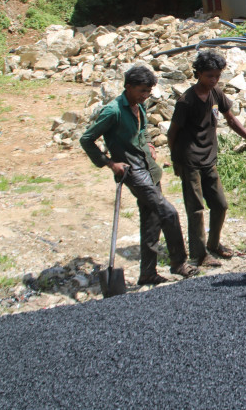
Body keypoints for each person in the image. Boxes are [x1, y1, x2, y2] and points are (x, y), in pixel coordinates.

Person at [80, 65, 198, 285]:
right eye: (142, 91)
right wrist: (110, 163)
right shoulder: (113, 111)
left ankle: (147, 273)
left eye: (148, 92)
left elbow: (142, 131)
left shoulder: (139, 107)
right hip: (133, 172)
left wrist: (150, 144)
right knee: (169, 213)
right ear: (128, 87)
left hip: (149, 169)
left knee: (151, 220)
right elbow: (86, 140)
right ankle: (179, 263)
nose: (145, 96)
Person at [168, 51, 246, 267]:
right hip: (190, 161)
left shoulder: (216, 93)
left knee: (221, 205)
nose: (213, 80)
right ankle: (199, 254)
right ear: (198, 74)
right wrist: (176, 161)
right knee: (195, 209)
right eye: (209, 76)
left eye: (217, 76)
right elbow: (172, 133)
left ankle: (214, 244)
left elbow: (231, 120)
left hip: (209, 159)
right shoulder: (186, 101)